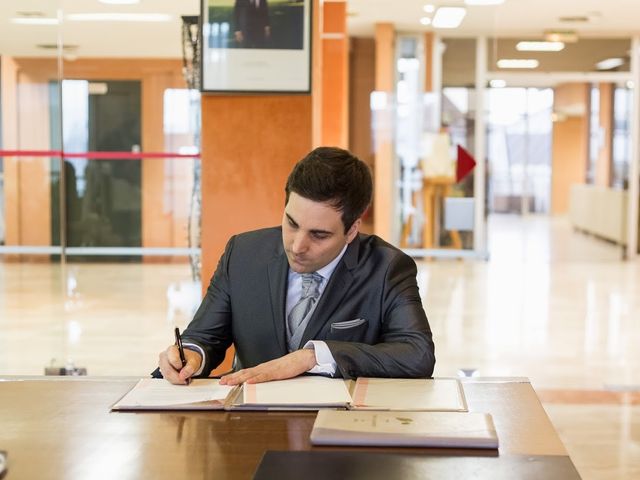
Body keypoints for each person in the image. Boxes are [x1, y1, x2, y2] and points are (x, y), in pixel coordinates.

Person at [157, 147, 435, 385]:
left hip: (338, 428)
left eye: (319, 235)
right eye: (291, 223)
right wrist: (190, 356)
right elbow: (205, 337)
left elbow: (416, 354)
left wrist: (313, 356)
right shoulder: (243, 253)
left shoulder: (387, 268)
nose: (297, 246)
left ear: (351, 231)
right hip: (250, 425)